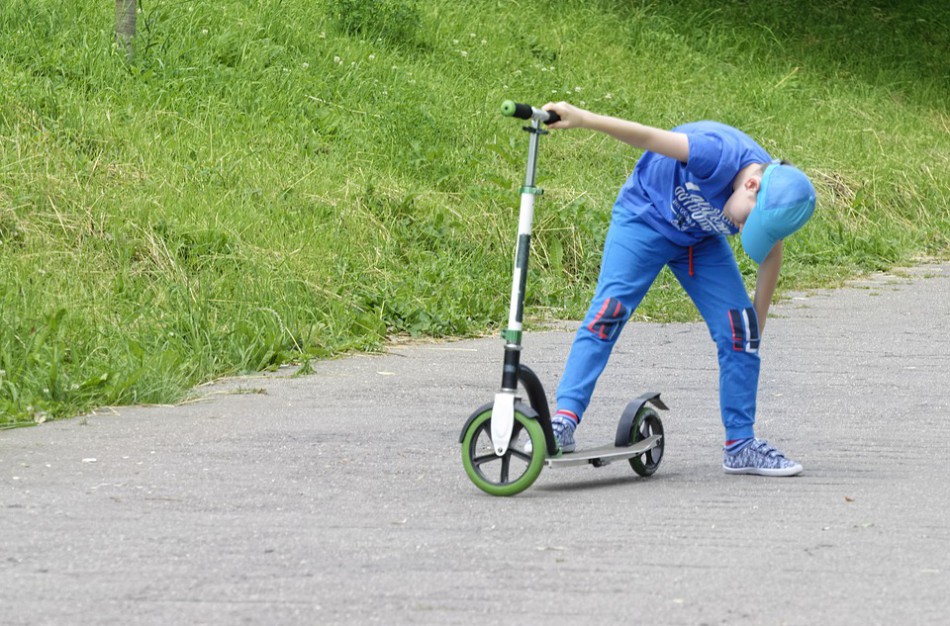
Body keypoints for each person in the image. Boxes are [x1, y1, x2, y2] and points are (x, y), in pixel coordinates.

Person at [541, 101, 816, 477]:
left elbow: (771, 256)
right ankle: (564, 422)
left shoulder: (774, 192)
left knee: (740, 329)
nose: (742, 230)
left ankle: (740, 446)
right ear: (750, 184)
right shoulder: (715, 154)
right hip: (645, 218)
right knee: (609, 314)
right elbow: (649, 136)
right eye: (748, 221)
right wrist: (584, 119)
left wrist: (752, 336)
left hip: (698, 241)